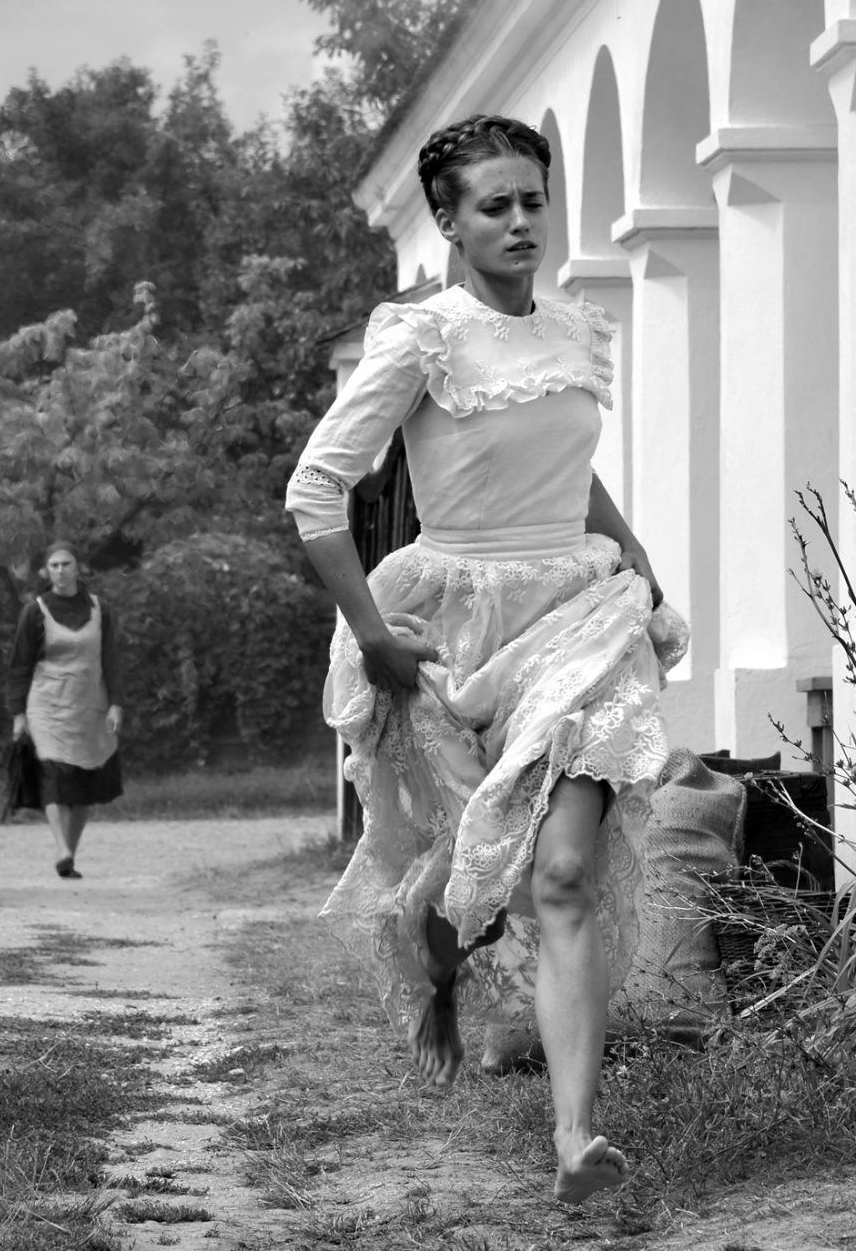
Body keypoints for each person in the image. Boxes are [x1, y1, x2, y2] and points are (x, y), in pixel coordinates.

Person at [285, 113, 687, 1204]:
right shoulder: (423, 339)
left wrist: (636, 559)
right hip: (458, 632)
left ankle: (574, 1138)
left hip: (581, 619)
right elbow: (314, 491)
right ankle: (436, 966)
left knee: (560, 874)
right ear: (450, 224)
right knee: (476, 873)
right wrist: (375, 636)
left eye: (532, 201)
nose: (519, 223)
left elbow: (567, 469)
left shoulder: (576, 332)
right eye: (494, 206)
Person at [6, 541, 124, 878]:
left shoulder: (101, 610)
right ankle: (61, 847)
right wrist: (18, 715)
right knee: (54, 776)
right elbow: (20, 666)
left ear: (77, 567)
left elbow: (111, 659)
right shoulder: (35, 612)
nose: (60, 571)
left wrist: (116, 704)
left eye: (66, 564)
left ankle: (70, 854)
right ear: (46, 571)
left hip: (89, 706)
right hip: (47, 706)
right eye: (54, 565)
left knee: (86, 781)